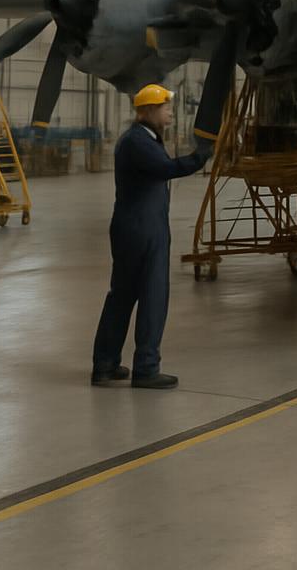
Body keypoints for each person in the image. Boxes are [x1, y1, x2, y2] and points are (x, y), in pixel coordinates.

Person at [91, 84, 209, 389]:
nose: (170, 112)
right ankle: (146, 368)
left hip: (135, 226)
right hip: (144, 229)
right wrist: (202, 156)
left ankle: (105, 365)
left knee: (122, 295)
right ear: (148, 111)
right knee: (153, 295)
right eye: (165, 107)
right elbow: (166, 168)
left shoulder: (141, 139)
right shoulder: (138, 142)